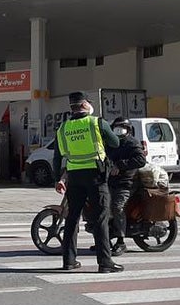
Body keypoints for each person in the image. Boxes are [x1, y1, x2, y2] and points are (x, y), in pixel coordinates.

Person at [53, 92, 122, 273]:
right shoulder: (96, 122)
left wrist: (57, 179)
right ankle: (105, 263)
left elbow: (57, 156)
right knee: (100, 218)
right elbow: (115, 142)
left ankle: (69, 261)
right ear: (85, 105)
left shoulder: (63, 128)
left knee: (72, 218)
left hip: (74, 177)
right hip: (96, 176)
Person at [107, 116, 148, 256]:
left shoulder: (132, 143)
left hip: (127, 183)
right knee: (101, 206)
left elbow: (141, 160)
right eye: (116, 128)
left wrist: (121, 165)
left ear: (128, 130)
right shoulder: (111, 143)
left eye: (121, 128)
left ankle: (121, 242)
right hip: (110, 181)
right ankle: (105, 240)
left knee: (117, 207)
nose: (118, 131)